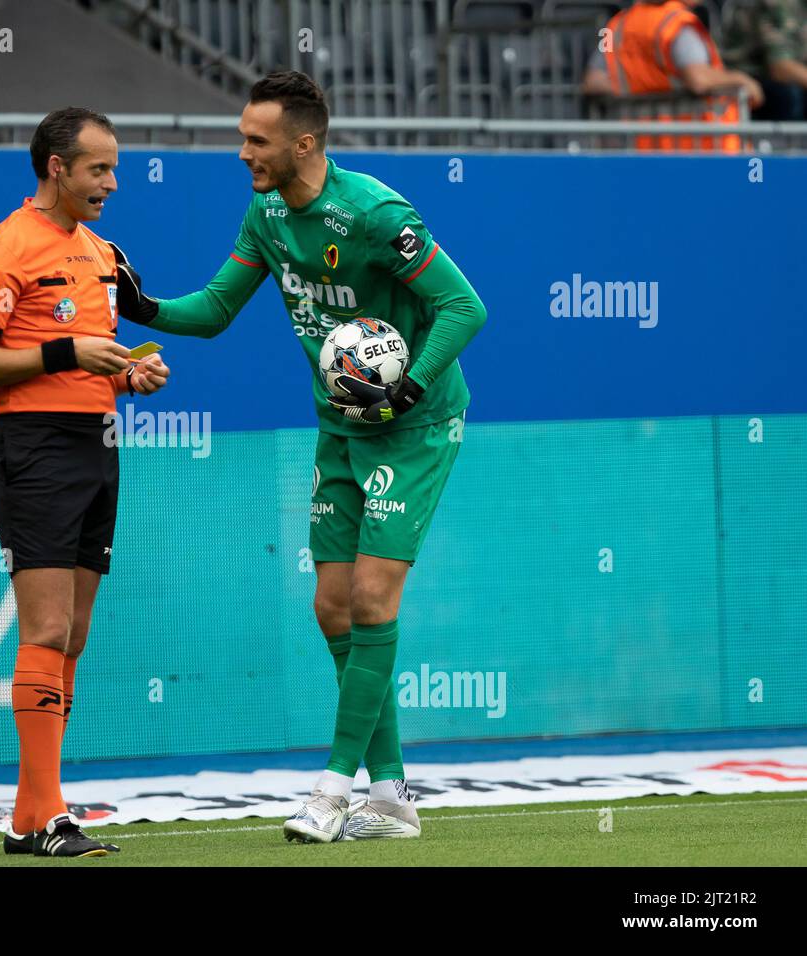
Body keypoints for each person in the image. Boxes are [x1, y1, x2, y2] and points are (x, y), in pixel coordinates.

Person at [111, 71, 485, 843]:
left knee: (375, 603)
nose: (242, 151)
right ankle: (392, 796)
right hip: (341, 427)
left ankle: (332, 787)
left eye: (256, 140)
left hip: (413, 425)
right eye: (243, 136)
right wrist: (142, 306)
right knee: (332, 607)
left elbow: (463, 306)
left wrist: (409, 388)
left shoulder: (376, 214)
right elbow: (215, 309)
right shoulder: (268, 213)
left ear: (304, 143)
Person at [0, 106, 170, 858]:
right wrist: (66, 353)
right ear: (56, 168)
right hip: (32, 445)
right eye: (98, 169)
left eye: (114, 167)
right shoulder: (5, 248)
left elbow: (99, 351)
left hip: (96, 443)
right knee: (45, 630)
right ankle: (46, 814)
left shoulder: (101, 251)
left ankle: (30, 815)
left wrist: (133, 373)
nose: (112, 181)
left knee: (72, 635)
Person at [581, 0, 763, 151]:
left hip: (643, 148)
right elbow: (698, 79)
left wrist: (640, 86)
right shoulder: (678, 23)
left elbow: (593, 81)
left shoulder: (616, 27)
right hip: (703, 147)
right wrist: (741, 79)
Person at [724, 0, 807, 120]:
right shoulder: (778, 4)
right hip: (748, 76)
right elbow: (780, 67)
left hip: (786, 74)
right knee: (790, 95)